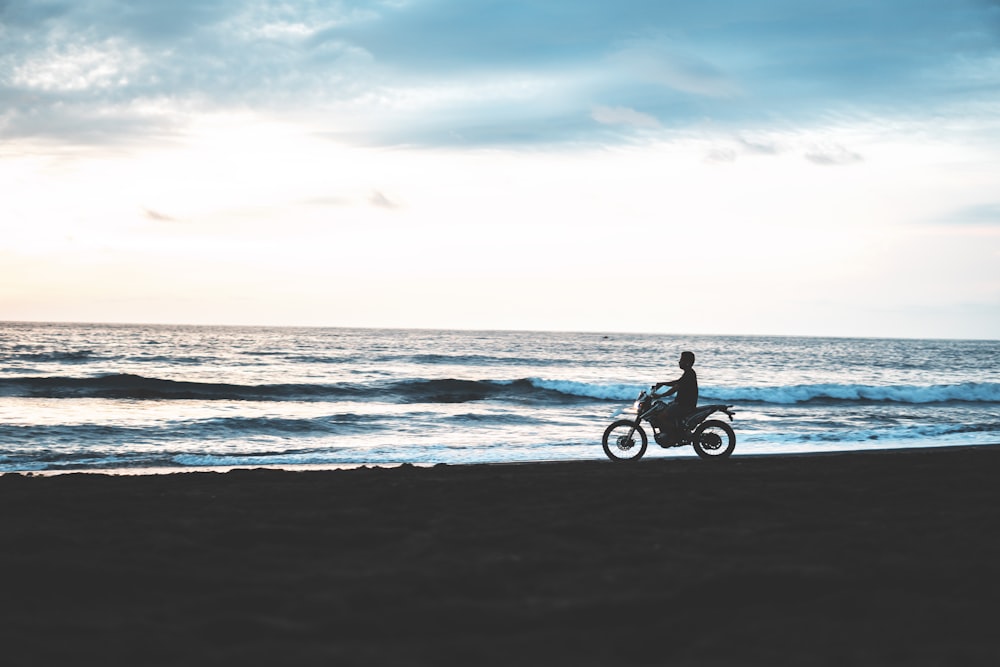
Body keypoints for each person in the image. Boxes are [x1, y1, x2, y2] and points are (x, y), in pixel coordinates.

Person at [652, 351, 698, 434]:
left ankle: (674, 436)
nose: (679, 362)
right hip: (681, 403)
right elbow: (677, 382)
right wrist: (663, 384)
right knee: (663, 408)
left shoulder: (689, 374)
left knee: (661, 416)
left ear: (687, 362)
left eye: (681, 360)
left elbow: (675, 388)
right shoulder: (688, 373)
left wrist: (661, 395)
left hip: (684, 405)